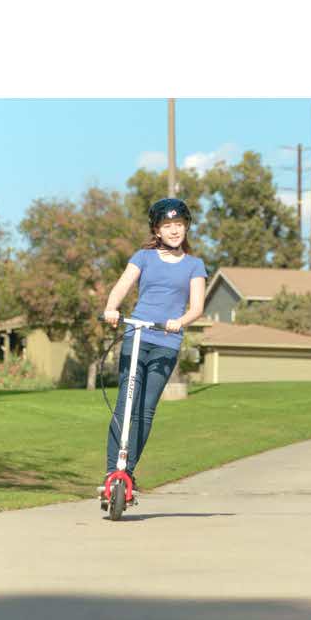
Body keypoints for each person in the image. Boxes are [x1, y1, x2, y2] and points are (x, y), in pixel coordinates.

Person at [101, 197, 207, 501]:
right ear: (157, 230)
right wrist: (111, 307)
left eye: (179, 225)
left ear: (186, 227)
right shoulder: (143, 257)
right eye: (167, 225)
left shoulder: (194, 265)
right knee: (126, 404)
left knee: (145, 410)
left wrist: (180, 321)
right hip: (137, 335)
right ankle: (111, 473)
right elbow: (122, 286)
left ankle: (128, 472)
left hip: (166, 342)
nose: (174, 230)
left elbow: (197, 307)